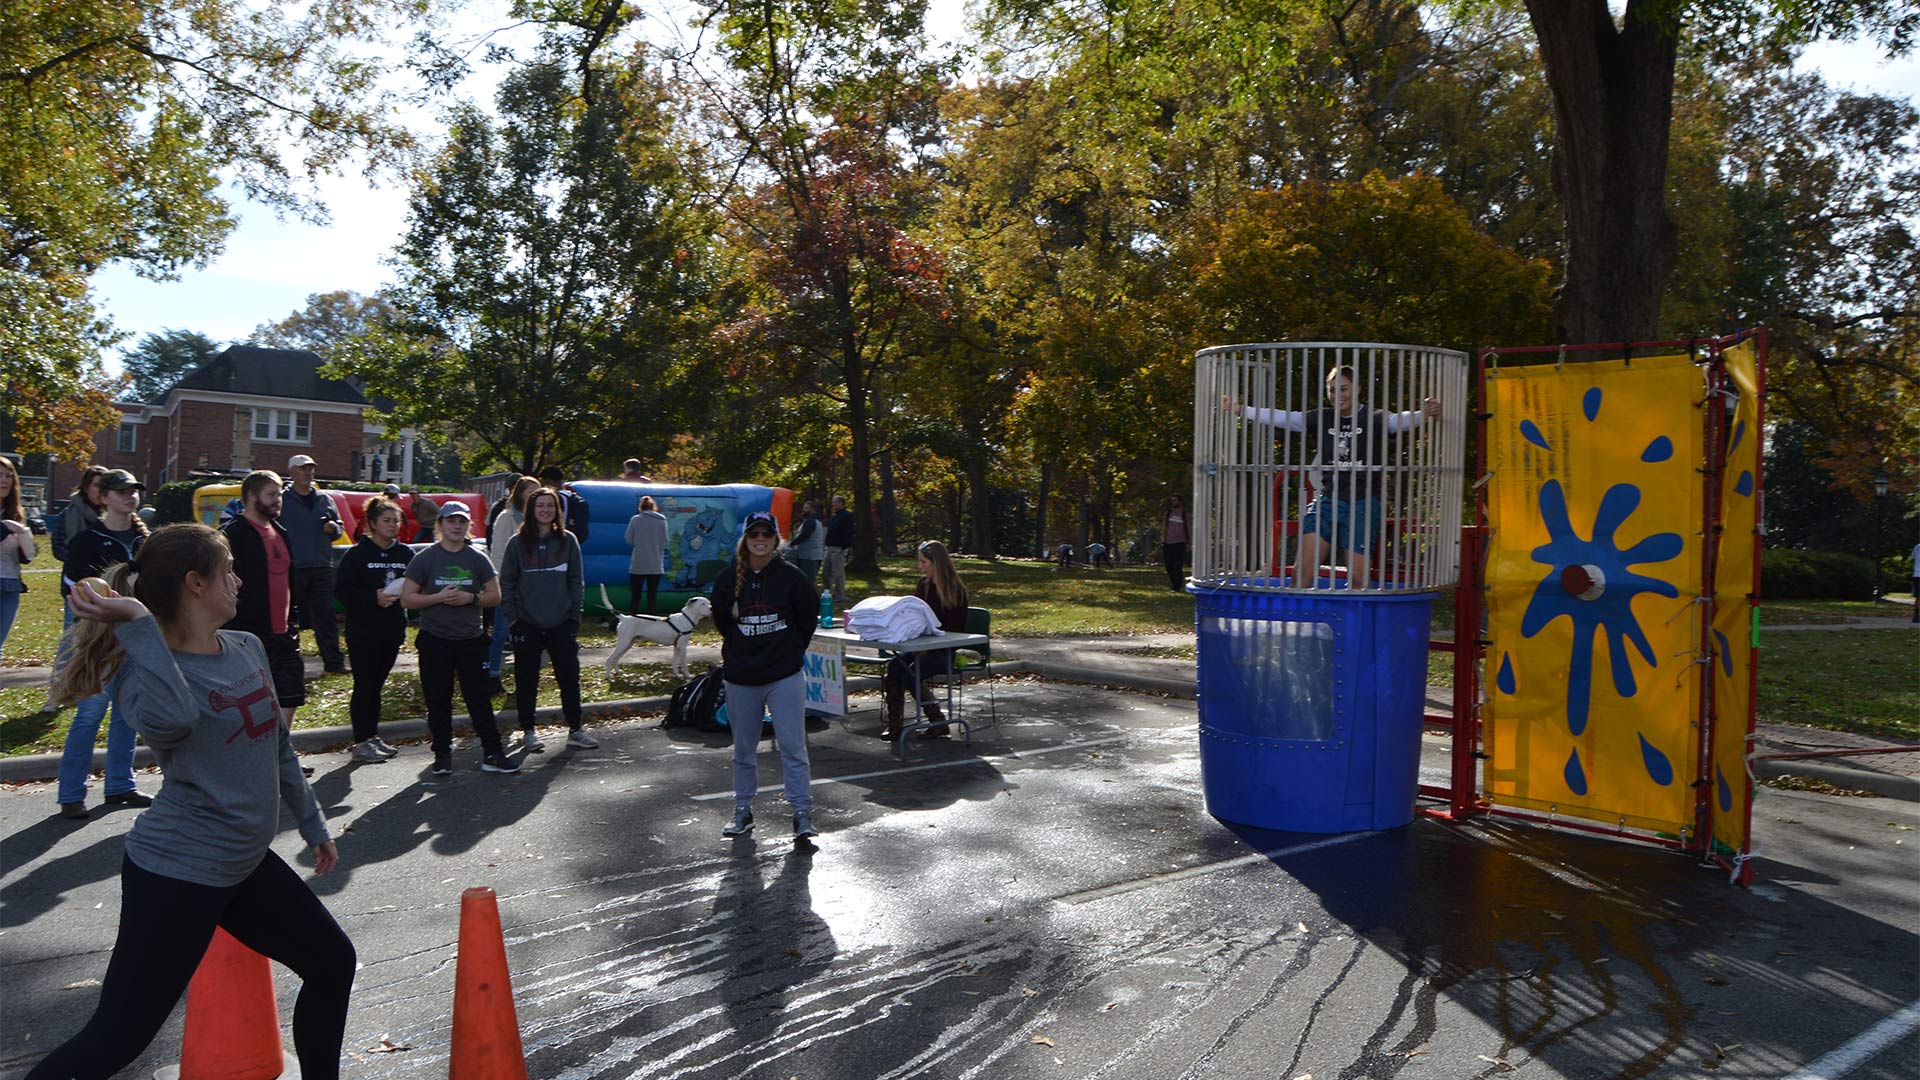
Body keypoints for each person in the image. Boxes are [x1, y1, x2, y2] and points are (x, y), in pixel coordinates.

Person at [28, 524, 352, 1080]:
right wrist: (138, 624)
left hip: (243, 863)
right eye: (228, 570)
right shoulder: (143, 677)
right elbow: (174, 722)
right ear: (196, 584)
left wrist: (312, 823)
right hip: (178, 871)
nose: (239, 580)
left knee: (331, 962)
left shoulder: (246, 647)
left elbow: (276, 743)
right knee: (119, 1036)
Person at [1228, 366, 1440, 588]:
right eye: (1332, 390)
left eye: (1344, 388)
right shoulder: (1322, 417)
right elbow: (1283, 418)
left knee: (1358, 578)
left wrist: (1424, 414)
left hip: (1363, 502)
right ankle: (1297, 621)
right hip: (1328, 500)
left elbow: (1399, 420)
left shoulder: (1374, 417)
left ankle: (1355, 621)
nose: (1337, 395)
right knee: (1301, 574)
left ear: (1357, 388)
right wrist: (1241, 409)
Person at [709, 511, 820, 843]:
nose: (760, 539)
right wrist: (742, 647)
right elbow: (722, 621)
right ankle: (743, 810)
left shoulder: (792, 577)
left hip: (783, 674)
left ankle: (801, 814)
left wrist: (789, 649)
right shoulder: (729, 578)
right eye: (754, 534)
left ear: (776, 540)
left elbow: (807, 618)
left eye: (766, 535)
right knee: (743, 749)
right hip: (742, 675)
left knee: (791, 746)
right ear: (746, 539)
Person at [54, 468, 152, 820]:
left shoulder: (146, 542)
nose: (131, 496)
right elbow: (72, 593)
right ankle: (71, 793)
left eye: (135, 490)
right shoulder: (87, 541)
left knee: (128, 715)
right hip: (99, 642)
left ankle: (120, 785)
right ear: (104, 496)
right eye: (123, 490)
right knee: (89, 715)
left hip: (137, 639)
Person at [401, 501, 517, 775]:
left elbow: (495, 596)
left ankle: (493, 753)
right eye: (451, 521)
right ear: (440, 525)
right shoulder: (426, 558)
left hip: (470, 640)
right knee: (438, 700)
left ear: (468, 526)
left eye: (462, 522)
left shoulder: (477, 558)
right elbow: (407, 599)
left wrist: (470, 598)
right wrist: (438, 598)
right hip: (435, 639)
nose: (456, 526)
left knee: (479, 699)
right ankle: (442, 755)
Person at [500, 487, 594, 752]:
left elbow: (577, 581)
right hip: (526, 623)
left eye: (550, 506)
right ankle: (528, 731)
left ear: (557, 511)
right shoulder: (517, 543)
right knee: (526, 679)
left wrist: (574, 617)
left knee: (568, 677)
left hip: (561, 622)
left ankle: (575, 728)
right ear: (531, 509)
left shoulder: (568, 541)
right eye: (540, 505)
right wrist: (512, 619)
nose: (545, 510)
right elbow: (506, 581)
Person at [222, 471, 308, 730]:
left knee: (291, 692)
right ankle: (258, 756)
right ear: (251, 496)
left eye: (280, 493)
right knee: (253, 699)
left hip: (284, 631)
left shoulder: (280, 531)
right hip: (249, 633)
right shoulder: (232, 535)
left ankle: (282, 754)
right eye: (271, 494)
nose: (278, 500)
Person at [334, 495, 413, 763]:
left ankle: (372, 735)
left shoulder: (405, 554)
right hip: (363, 631)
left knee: (376, 686)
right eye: (386, 520)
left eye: (396, 520)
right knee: (364, 685)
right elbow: (342, 592)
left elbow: (416, 586)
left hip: (391, 630)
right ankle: (361, 740)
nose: (392, 525)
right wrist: (373, 597)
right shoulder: (356, 554)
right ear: (373, 523)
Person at [881, 540, 970, 741]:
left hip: (944, 651)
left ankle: (936, 720)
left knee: (912, 672)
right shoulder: (923, 585)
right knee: (895, 666)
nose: (919, 566)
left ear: (936, 563)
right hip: (918, 645)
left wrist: (928, 649)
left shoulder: (956, 590)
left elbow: (957, 632)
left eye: (923, 562)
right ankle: (894, 724)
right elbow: (914, 619)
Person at [280, 454, 348, 675]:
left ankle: (334, 663)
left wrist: (333, 529)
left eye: (311, 469)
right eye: (303, 469)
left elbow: (339, 528)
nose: (308, 473)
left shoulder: (324, 499)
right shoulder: (282, 500)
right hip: (293, 566)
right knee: (287, 618)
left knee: (326, 616)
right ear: (292, 472)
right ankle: (286, 662)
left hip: (321, 565)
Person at [485, 477, 539, 692]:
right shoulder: (506, 518)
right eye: (530, 493)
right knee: (500, 631)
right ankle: (492, 676)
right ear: (520, 494)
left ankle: (524, 678)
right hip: (508, 584)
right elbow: (497, 553)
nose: (534, 497)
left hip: (530, 586)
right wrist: (503, 583)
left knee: (527, 634)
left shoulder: (535, 519)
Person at [0, 456, 36, 660]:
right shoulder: (8, 521)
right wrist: (4, 528)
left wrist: (27, 545)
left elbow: (25, 558)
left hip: (10, 585)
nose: (5, 480)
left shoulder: (16, 513)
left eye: (8, 476)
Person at [625, 494, 669, 614]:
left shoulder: (635, 519)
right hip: (655, 564)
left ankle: (633, 620)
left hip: (638, 564)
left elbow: (629, 539)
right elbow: (665, 540)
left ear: (641, 507)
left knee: (635, 597)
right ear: (653, 506)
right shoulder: (661, 520)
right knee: (652, 597)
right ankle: (652, 621)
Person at [56, 465, 109, 560]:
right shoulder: (68, 514)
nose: (101, 490)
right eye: (96, 485)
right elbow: (58, 548)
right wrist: (81, 560)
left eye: (104, 486)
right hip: (78, 570)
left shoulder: (115, 514)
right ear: (85, 488)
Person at [537, 466, 591, 542]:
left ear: (549, 481)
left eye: (542, 482)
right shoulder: (574, 496)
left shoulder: (557, 498)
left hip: (559, 542)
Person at [822, 495, 853, 604]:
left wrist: (844, 548)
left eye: (834, 502)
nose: (833, 504)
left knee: (838, 572)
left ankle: (840, 595)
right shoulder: (835, 516)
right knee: (826, 572)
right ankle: (827, 593)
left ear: (841, 503)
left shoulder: (847, 516)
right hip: (829, 548)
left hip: (839, 548)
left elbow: (848, 532)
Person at [787, 499, 824, 588]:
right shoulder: (814, 521)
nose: (803, 510)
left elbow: (805, 535)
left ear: (812, 509)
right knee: (808, 579)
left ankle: (813, 599)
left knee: (809, 580)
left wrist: (792, 543)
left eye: (806, 508)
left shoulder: (811, 521)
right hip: (810, 555)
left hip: (809, 556)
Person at [1161, 494, 1190, 590]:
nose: (1174, 502)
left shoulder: (1185, 514)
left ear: (1180, 502)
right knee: (1169, 565)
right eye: (1172, 501)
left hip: (1180, 542)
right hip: (1168, 542)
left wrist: (1190, 541)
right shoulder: (1168, 513)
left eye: (1175, 500)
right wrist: (1164, 539)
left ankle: (1177, 586)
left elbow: (1189, 528)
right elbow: (1165, 526)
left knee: (1177, 565)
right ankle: (1174, 582)